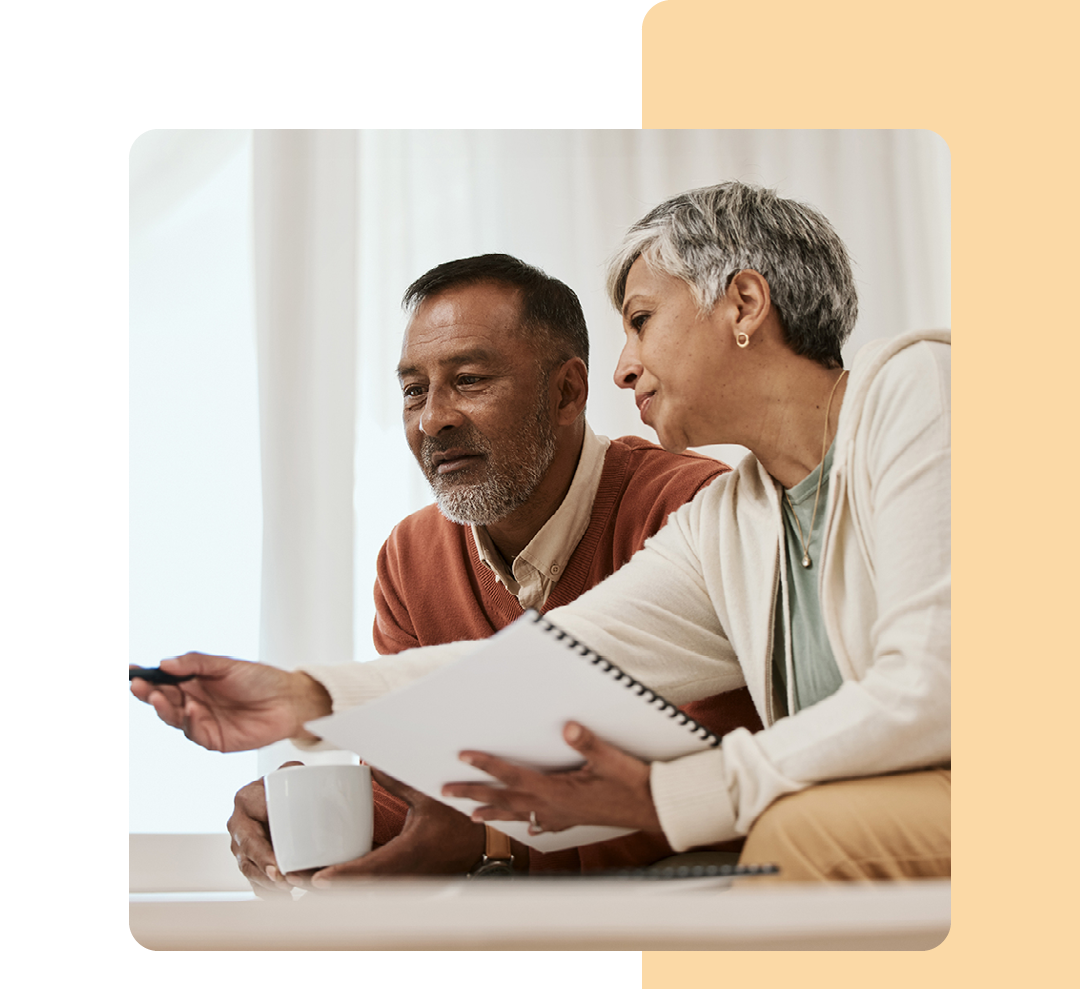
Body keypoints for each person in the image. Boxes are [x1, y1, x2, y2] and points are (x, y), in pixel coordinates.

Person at [135, 184, 950, 882]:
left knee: (797, 834)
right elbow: (554, 661)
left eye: (640, 320)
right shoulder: (735, 520)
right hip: (885, 814)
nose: (623, 368)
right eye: (414, 390)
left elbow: (933, 684)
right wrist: (306, 697)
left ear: (742, 303)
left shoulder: (919, 388)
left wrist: (668, 798)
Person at [142, 254, 759, 895]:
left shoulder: (692, 511)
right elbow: (418, 799)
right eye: (413, 391)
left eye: (467, 380)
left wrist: (491, 840)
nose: (432, 418)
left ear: (568, 392)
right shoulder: (410, 558)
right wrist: (314, 812)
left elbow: (721, 791)